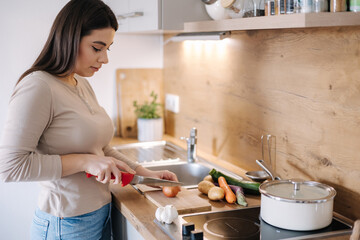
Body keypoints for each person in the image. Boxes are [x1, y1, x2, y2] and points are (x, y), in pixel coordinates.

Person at [0, 0, 178, 239]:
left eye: (108, 48)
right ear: (69, 38)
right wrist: (84, 162)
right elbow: (10, 167)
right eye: (97, 48)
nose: (104, 59)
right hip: (66, 224)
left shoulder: (80, 82)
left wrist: (142, 173)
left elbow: (100, 149)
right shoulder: (38, 86)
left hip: (99, 215)